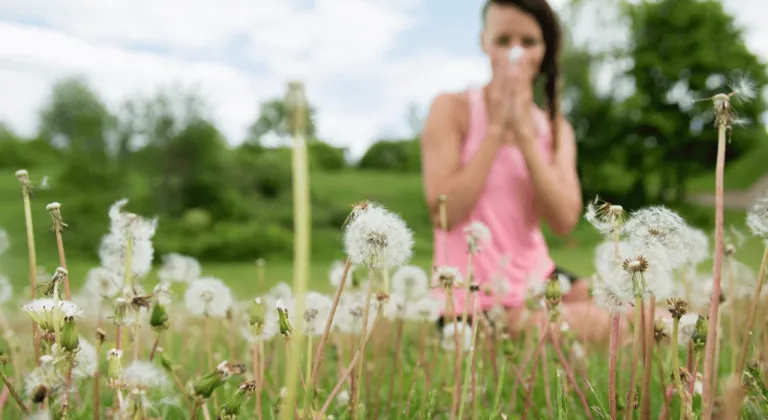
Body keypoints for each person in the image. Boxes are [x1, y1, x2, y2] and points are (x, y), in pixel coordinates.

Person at [420, 0, 621, 343]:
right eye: (503, 40)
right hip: (474, 298)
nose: (516, 53)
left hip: (539, 277)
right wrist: (496, 130)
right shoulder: (452, 108)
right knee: (616, 325)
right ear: (484, 42)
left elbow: (564, 220)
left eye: (528, 42)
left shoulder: (556, 129)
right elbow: (444, 213)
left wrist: (526, 138)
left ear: (544, 50)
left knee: (638, 309)